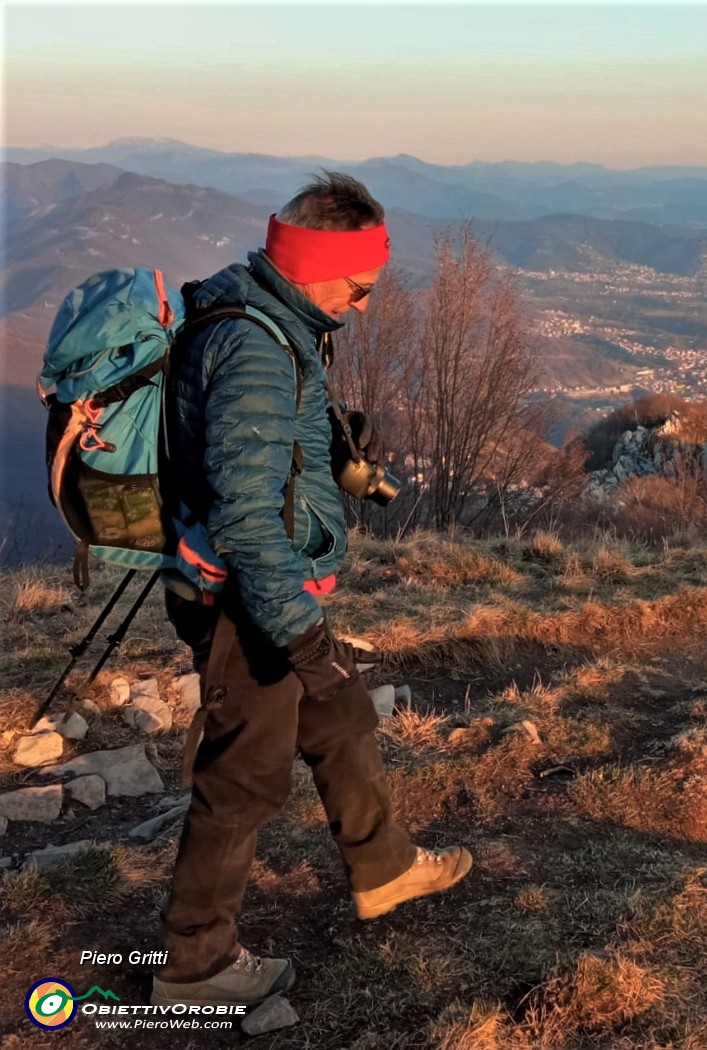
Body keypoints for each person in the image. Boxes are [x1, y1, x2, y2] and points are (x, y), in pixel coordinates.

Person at [152, 173, 471, 1008]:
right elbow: (249, 523)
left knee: (339, 716)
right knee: (244, 777)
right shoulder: (257, 347)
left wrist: (336, 461)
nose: (364, 305)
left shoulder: (279, 318)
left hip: (265, 592)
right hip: (245, 604)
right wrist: (301, 636)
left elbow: (265, 458)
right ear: (312, 262)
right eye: (359, 287)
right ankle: (195, 967)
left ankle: (386, 867)